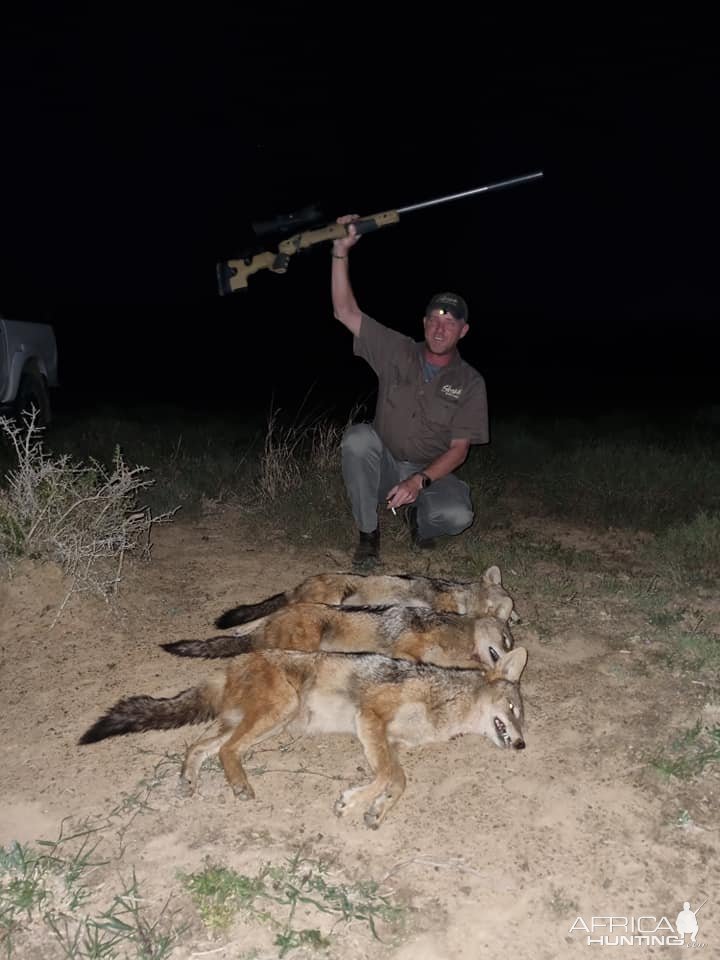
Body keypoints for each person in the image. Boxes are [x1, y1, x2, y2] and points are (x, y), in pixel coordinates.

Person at [331, 213, 489, 568]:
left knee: (458, 514)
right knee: (358, 439)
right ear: (424, 322)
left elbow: (459, 451)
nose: (440, 327)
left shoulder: (471, 382)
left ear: (463, 330)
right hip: (385, 463)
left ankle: (419, 521)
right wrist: (340, 251)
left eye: (450, 322)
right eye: (434, 318)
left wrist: (420, 480)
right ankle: (368, 535)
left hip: (431, 471)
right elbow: (344, 311)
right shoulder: (397, 349)